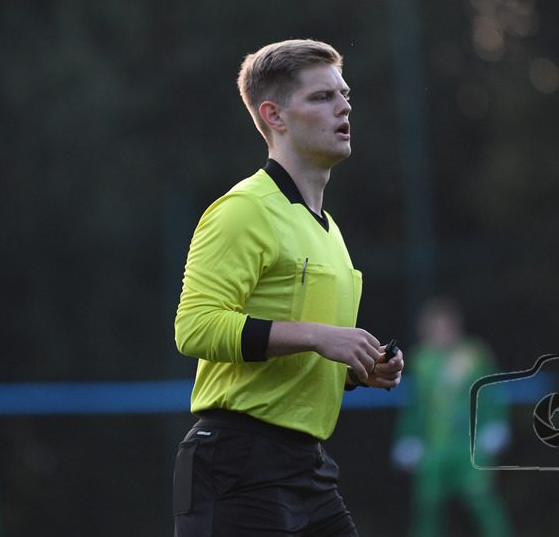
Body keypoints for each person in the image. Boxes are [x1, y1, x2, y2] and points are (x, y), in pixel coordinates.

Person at [173, 39, 404, 536]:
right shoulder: (243, 210)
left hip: (308, 469)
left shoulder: (329, 231)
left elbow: (296, 357)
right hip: (236, 465)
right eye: (322, 97)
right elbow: (195, 327)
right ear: (274, 116)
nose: (344, 106)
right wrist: (321, 335)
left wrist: (358, 369)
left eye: (344, 94)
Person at [391, 296, 513, 537]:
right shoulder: (420, 359)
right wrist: (407, 437)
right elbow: (413, 406)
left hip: (471, 444)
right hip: (433, 446)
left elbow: (491, 391)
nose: (440, 333)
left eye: (444, 326)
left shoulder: (474, 354)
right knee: (427, 506)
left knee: (482, 501)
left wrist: (496, 424)